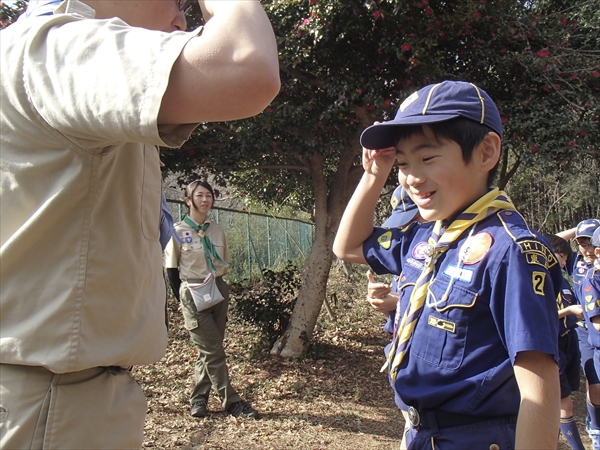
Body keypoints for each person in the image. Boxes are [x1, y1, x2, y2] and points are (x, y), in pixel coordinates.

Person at [0, 0, 279, 448]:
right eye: (174, 0)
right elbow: (246, 66)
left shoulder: (50, 62)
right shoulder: (62, 47)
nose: (182, 20)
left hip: (57, 395)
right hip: (51, 404)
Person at [333, 80, 561, 449]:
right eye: (403, 163)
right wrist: (375, 175)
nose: (411, 177)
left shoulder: (510, 250)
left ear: (486, 152)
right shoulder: (426, 238)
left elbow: (539, 386)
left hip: (476, 436)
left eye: (428, 158)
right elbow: (348, 246)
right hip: (422, 433)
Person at [164, 180, 257, 419]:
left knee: (208, 350)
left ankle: (199, 400)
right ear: (188, 201)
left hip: (217, 290)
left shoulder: (216, 230)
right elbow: (172, 270)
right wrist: (182, 301)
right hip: (193, 293)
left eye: (209, 195)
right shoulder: (177, 231)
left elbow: (222, 261)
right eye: (199, 196)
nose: (205, 200)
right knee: (214, 351)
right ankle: (232, 402)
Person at [558, 218, 600, 449]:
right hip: (584, 332)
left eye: (589, 243)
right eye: (581, 243)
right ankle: (595, 430)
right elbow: (551, 241)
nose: (585, 249)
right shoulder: (575, 262)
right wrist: (579, 228)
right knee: (595, 385)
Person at [545, 234, 585, 450]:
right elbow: (540, 315)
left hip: (570, 341)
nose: (562, 262)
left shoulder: (564, 281)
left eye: (564, 257)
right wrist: (569, 311)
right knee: (564, 404)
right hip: (553, 346)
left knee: (564, 402)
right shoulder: (539, 281)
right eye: (560, 256)